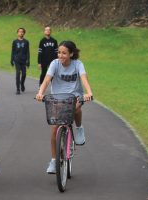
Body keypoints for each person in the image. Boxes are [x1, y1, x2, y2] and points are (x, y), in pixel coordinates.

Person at [36, 41, 93, 174]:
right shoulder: (55, 64)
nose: (60, 55)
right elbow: (47, 79)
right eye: (59, 52)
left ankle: (78, 128)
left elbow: (84, 78)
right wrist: (40, 92)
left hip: (75, 96)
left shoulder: (78, 64)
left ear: (71, 54)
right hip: (58, 98)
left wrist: (89, 92)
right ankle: (54, 160)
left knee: (77, 108)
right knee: (55, 129)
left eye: (64, 53)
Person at [11, 28, 30, 95]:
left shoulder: (26, 42)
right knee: (18, 73)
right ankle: (18, 89)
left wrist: (28, 60)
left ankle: (22, 84)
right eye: (19, 32)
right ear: (17, 33)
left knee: (24, 74)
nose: (21, 33)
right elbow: (13, 51)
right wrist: (12, 60)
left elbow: (28, 52)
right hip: (17, 60)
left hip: (24, 60)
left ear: (24, 33)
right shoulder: (15, 42)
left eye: (22, 32)